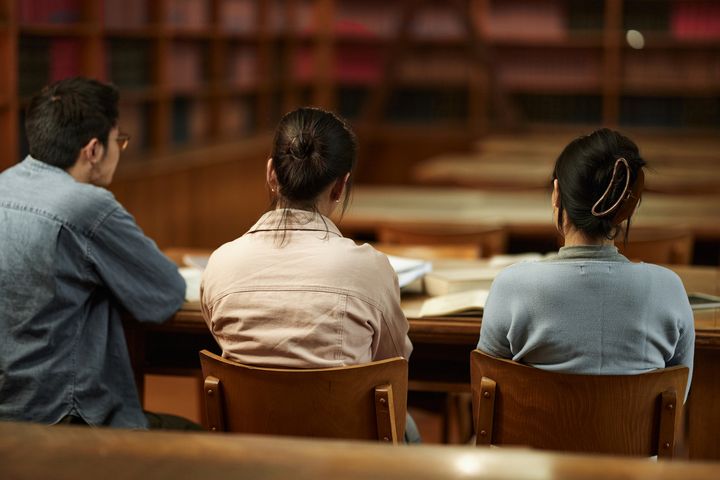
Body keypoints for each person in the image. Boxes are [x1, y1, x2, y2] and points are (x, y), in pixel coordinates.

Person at [201, 107, 417, 439]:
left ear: (271, 173)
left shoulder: (220, 263)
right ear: (340, 186)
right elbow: (393, 364)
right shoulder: (369, 269)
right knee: (408, 427)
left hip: (248, 459)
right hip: (345, 463)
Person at [0, 77, 190, 429]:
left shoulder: (3, 184)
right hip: (62, 416)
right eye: (119, 140)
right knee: (192, 438)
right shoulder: (86, 205)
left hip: (9, 414)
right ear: (93, 150)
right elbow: (165, 293)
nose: (120, 148)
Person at [477, 128, 694, 394]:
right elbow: (676, 399)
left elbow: (487, 391)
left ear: (556, 194)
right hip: (629, 437)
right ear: (630, 207)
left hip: (533, 437)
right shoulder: (668, 288)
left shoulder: (511, 285)